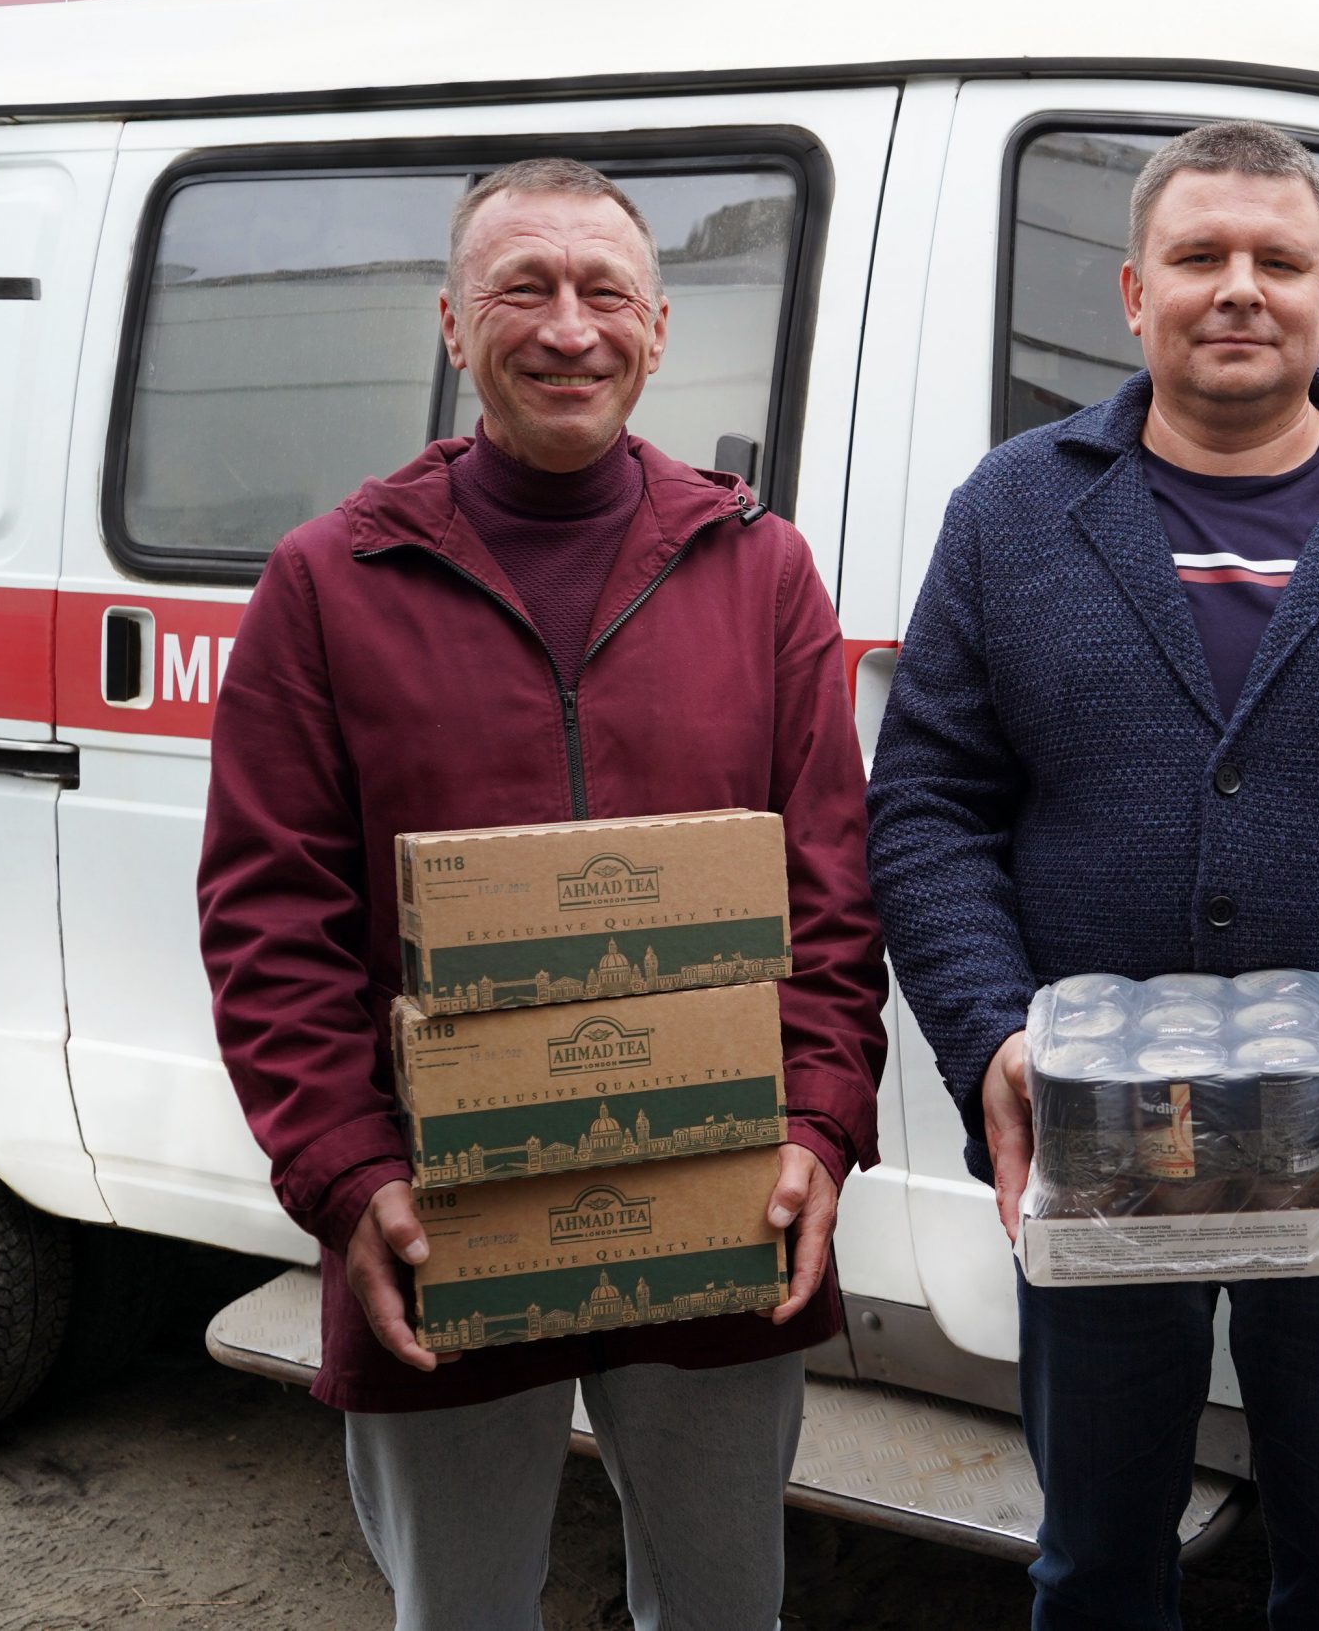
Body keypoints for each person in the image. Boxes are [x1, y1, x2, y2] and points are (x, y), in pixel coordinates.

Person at [864, 121, 1319, 1630]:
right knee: (1092, 1569)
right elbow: (929, 806)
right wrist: (992, 1036)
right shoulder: (1014, 515)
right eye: (1201, 257)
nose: (1240, 289)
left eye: (1277, 259)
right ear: (1134, 292)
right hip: (1095, 1157)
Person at [197, 156, 886, 1631]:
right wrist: (347, 1175)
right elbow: (269, 920)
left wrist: (823, 1127)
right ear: (454, 327)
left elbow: (831, 888)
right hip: (442, 1214)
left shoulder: (759, 569)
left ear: (656, 328)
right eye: (523, 289)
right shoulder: (328, 582)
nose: (567, 328)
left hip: (715, 1199)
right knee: (460, 1614)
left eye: (603, 293)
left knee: (721, 1610)